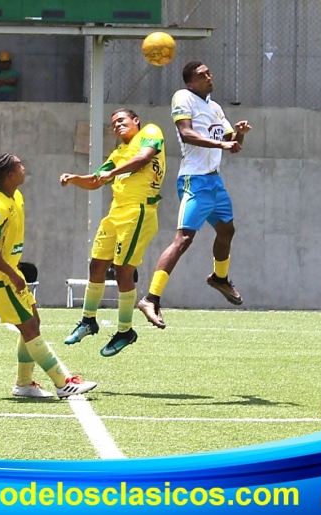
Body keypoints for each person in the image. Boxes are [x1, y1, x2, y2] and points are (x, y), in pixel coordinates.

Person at [137, 61, 252, 329]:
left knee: (227, 231)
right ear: (191, 82)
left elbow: (232, 143)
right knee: (183, 239)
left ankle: (220, 278)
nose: (209, 76)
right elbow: (186, 134)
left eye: (209, 72)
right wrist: (223, 142)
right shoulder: (183, 97)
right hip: (194, 180)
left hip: (214, 180)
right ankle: (151, 298)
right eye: (202, 75)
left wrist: (239, 135)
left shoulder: (214, 107)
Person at [0, 153, 97, 399]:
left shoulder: (16, 196)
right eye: (19, 165)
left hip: (9, 275)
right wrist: (12, 274)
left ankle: (23, 384)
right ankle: (63, 383)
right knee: (29, 327)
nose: (24, 167)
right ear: (10, 175)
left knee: (33, 323)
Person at [60, 108, 166, 357]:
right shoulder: (118, 153)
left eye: (122, 120)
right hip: (116, 213)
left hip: (139, 211)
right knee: (97, 266)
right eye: (114, 123)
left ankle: (125, 330)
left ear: (135, 121)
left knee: (122, 270)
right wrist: (76, 178)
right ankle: (88, 320)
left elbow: (144, 157)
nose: (117, 125)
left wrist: (112, 172)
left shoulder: (150, 132)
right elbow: (97, 179)